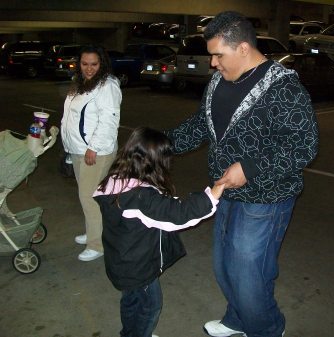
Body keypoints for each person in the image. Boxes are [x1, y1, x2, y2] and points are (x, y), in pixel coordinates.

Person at [165, 11, 319, 337]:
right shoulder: (220, 80)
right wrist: (161, 146)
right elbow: (200, 126)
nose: (212, 63)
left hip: (267, 196)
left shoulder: (283, 87)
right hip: (225, 190)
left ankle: (267, 329)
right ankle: (238, 319)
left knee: (249, 271)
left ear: (244, 48)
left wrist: (249, 169)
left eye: (218, 55)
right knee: (224, 266)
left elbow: (303, 146)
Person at [93, 127, 225, 337]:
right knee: (149, 306)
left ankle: (130, 333)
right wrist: (214, 193)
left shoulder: (116, 179)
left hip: (122, 262)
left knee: (131, 301)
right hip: (138, 268)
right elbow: (179, 215)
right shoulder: (141, 198)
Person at [61, 44, 121, 261]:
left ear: (102, 63)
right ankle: (93, 231)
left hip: (96, 151)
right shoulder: (80, 83)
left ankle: (97, 245)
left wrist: (93, 148)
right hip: (79, 148)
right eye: (84, 64)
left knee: (89, 197)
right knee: (88, 194)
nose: (89, 68)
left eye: (94, 64)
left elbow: (109, 121)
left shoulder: (108, 86)